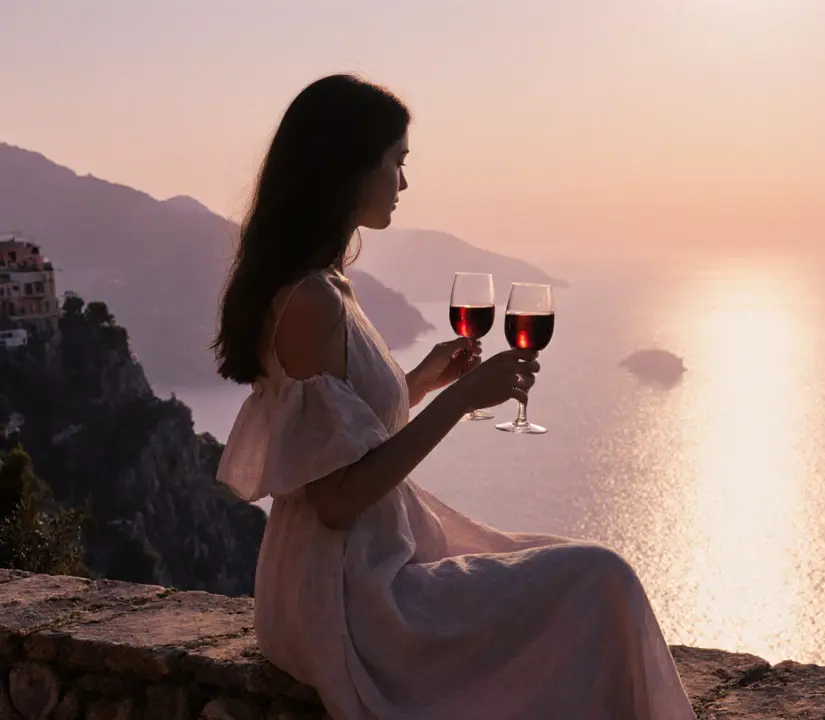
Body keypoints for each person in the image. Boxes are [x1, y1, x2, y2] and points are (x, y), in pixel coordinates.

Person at [213, 74, 694, 720]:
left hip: (356, 569)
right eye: (397, 162)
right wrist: (461, 398)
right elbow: (336, 500)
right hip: (349, 598)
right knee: (602, 578)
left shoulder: (325, 285)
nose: (404, 183)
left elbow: (343, 439)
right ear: (350, 166)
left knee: (571, 568)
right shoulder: (312, 301)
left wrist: (421, 381)